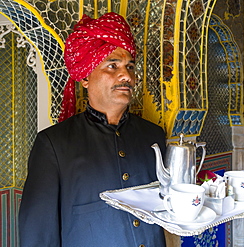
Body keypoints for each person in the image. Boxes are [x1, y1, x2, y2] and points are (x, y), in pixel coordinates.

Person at [18, 12, 167, 247]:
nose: (126, 75)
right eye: (112, 66)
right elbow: (39, 237)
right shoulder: (54, 145)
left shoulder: (154, 136)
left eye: (130, 66)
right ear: (85, 77)